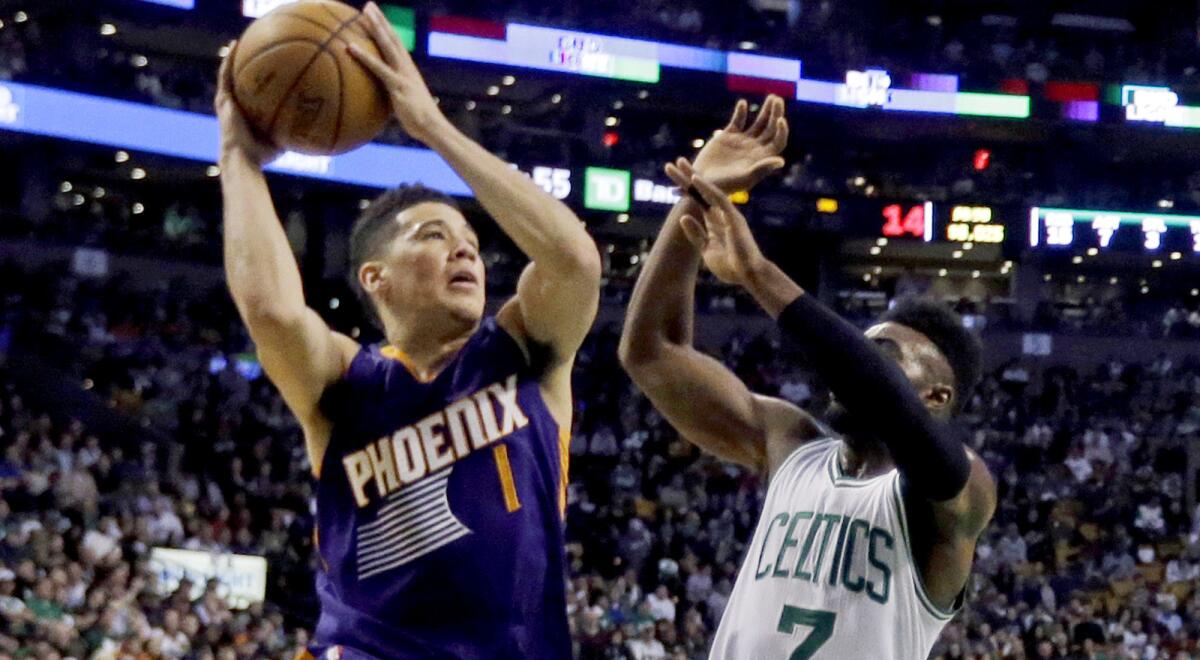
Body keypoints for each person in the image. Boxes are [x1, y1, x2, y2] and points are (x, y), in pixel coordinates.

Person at [214, 3, 601, 657]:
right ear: (374, 278)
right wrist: (238, 156)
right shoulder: (347, 382)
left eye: (472, 242)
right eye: (434, 236)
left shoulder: (524, 352)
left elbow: (575, 260)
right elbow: (273, 312)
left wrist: (432, 126)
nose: (465, 252)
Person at [619, 95, 995, 659]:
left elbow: (884, 396)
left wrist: (758, 273)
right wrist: (696, 197)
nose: (847, 361)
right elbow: (653, 351)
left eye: (881, 352)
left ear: (935, 395)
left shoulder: (960, 492)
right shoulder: (791, 441)